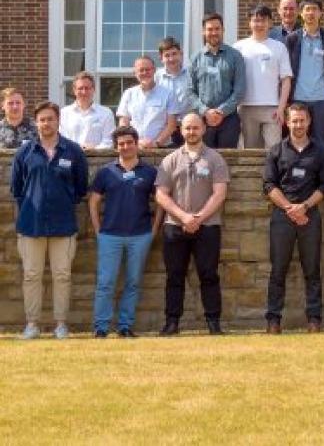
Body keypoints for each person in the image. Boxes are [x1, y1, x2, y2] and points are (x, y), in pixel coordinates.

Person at [10, 101, 88, 339]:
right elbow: (17, 188)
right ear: (37, 122)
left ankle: (60, 324)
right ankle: (32, 324)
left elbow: (80, 188)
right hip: (30, 224)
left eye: (50, 119)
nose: (46, 123)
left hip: (63, 224)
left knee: (62, 275)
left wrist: (60, 202)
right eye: (42, 119)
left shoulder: (73, 151)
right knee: (31, 275)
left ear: (58, 121)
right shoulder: (25, 152)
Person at [154, 112, 229, 335]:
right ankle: (172, 322)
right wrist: (184, 217)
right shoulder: (170, 160)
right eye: (187, 128)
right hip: (175, 227)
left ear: (204, 129)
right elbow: (161, 195)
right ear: (180, 130)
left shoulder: (215, 159)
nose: (191, 132)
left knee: (209, 274)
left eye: (195, 128)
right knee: (174, 276)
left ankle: (214, 323)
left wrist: (199, 218)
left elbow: (220, 194)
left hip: (208, 227)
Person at [262, 103, 324, 334]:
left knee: (312, 269)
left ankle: (314, 319)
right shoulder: (276, 151)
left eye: (302, 120)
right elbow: (269, 185)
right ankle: (273, 320)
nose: (298, 125)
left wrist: (304, 207)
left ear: (309, 121)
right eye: (294, 121)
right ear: (286, 122)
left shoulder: (320, 151)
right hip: (282, 217)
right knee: (278, 269)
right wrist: (289, 208)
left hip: (310, 215)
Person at [88, 125, 160, 337]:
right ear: (115, 147)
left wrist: (154, 229)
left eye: (129, 143)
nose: (125, 147)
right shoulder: (105, 172)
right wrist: (98, 230)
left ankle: (125, 326)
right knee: (105, 283)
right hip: (110, 236)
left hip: (140, 235)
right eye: (121, 144)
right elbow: (93, 202)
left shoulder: (150, 172)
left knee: (133, 282)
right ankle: (101, 328)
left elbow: (161, 202)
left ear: (136, 144)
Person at [285, 0, 324, 147]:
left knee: (320, 141)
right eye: (307, 9)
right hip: (298, 97)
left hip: (322, 98)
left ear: (320, 13)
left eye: (314, 9)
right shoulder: (292, 39)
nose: (311, 13)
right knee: (297, 139)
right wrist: (286, 98)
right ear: (301, 13)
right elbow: (285, 71)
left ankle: (319, 170)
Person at [233, 4, 292, 149]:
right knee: (249, 152)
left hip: (272, 108)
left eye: (263, 20)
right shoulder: (238, 47)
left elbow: (286, 80)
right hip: (246, 107)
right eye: (255, 20)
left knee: (274, 151)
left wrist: (281, 108)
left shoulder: (279, 47)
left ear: (270, 23)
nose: (259, 24)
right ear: (249, 22)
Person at [189, 12, 245, 148]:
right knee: (203, 162)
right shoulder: (196, 58)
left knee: (227, 162)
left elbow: (239, 90)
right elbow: (189, 91)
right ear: (203, 31)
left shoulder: (235, 56)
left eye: (217, 29)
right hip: (203, 119)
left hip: (229, 119)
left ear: (223, 30)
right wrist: (206, 111)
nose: (213, 32)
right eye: (209, 29)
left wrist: (221, 111)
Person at [117, 55, 182, 150]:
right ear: (135, 73)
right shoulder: (128, 94)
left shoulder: (169, 94)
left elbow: (171, 125)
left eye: (148, 69)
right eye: (141, 70)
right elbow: (123, 123)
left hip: (162, 148)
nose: (145, 73)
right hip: (134, 148)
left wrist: (156, 143)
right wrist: (135, 142)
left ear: (154, 70)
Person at [59, 71, 115, 150]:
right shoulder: (64, 113)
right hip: (71, 159)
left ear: (93, 89)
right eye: (80, 88)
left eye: (87, 88)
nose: (84, 92)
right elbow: (62, 139)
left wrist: (94, 149)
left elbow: (109, 142)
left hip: (98, 160)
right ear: (74, 90)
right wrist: (78, 149)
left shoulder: (106, 113)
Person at [155, 37, 192, 146]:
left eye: (174, 54)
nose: (171, 58)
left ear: (181, 54)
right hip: (166, 129)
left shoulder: (192, 74)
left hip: (189, 127)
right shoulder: (156, 77)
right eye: (167, 55)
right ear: (161, 58)